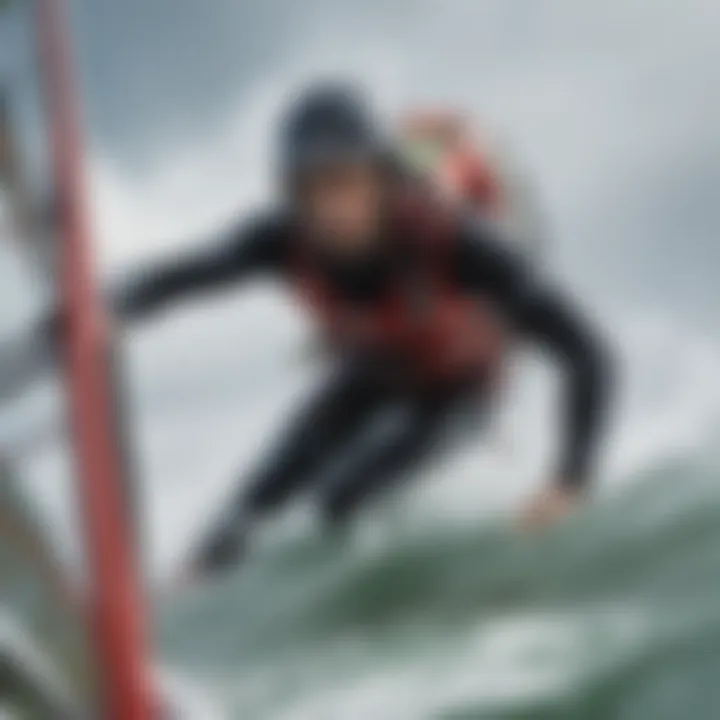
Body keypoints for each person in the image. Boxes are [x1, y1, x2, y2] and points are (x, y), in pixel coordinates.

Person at [111, 83, 613, 577]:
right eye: (310, 192)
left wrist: (570, 478)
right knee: (248, 509)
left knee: (340, 498)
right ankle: (178, 597)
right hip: (375, 370)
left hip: (462, 391)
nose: (329, 210)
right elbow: (192, 272)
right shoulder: (282, 237)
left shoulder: (455, 240)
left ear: (380, 181)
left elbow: (586, 351)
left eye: (344, 184)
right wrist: (112, 309)